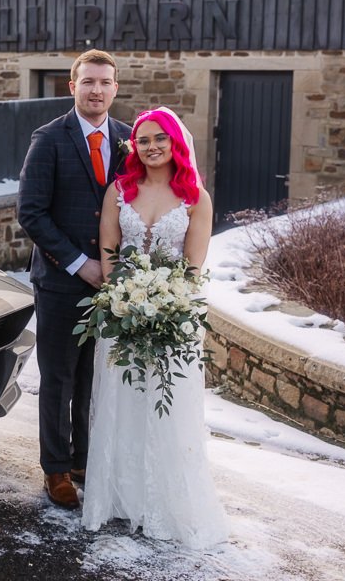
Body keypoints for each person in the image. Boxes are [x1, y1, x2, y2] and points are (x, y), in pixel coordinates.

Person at [81, 106, 230, 548]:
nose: (150, 147)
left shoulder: (195, 198)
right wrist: (121, 301)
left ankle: (165, 504)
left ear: (175, 143)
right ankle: (119, 500)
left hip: (172, 318)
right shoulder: (119, 192)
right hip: (121, 315)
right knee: (121, 403)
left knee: (166, 411)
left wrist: (167, 307)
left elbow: (193, 267)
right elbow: (109, 249)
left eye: (158, 139)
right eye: (142, 141)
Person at [17, 49, 132, 509]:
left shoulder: (128, 139)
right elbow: (32, 213)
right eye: (88, 82)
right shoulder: (48, 139)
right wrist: (78, 262)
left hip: (111, 285)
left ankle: (85, 459)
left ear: (115, 88)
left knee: (93, 378)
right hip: (62, 282)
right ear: (72, 86)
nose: (97, 90)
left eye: (105, 82)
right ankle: (57, 469)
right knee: (59, 377)